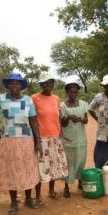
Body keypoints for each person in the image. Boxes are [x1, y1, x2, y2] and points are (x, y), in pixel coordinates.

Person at [0, 73, 41, 215]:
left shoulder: (28, 100)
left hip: (26, 140)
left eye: (17, 83)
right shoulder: (0, 99)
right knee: (11, 170)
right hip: (9, 141)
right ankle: (14, 202)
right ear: (8, 85)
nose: (14, 86)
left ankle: (28, 198)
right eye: (12, 83)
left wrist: (37, 140)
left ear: (21, 85)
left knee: (28, 169)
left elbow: (33, 121)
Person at [32, 72, 68, 204]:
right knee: (40, 167)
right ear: (41, 84)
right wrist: (36, 138)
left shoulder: (56, 99)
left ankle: (51, 191)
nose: (49, 85)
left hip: (55, 137)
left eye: (51, 82)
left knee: (54, 166)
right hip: (41, 138)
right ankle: (37, 196)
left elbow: (57, 116)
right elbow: (33, 119)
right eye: (46, 83)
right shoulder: (34, 98)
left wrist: (61, 131)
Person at [60, 80, 88, 197]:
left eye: (75, 93)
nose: (73, 95)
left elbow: (86, 120)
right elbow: (62, 123)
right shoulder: (62, 106)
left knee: (81, 161)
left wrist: (80, 119)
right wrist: (68, 117)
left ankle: (80, 182)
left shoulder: (83, 104)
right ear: (67, 92)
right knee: (68, 163)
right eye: (71, 92)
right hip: (68, 140)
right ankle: (66, 187)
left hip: (81, 139)